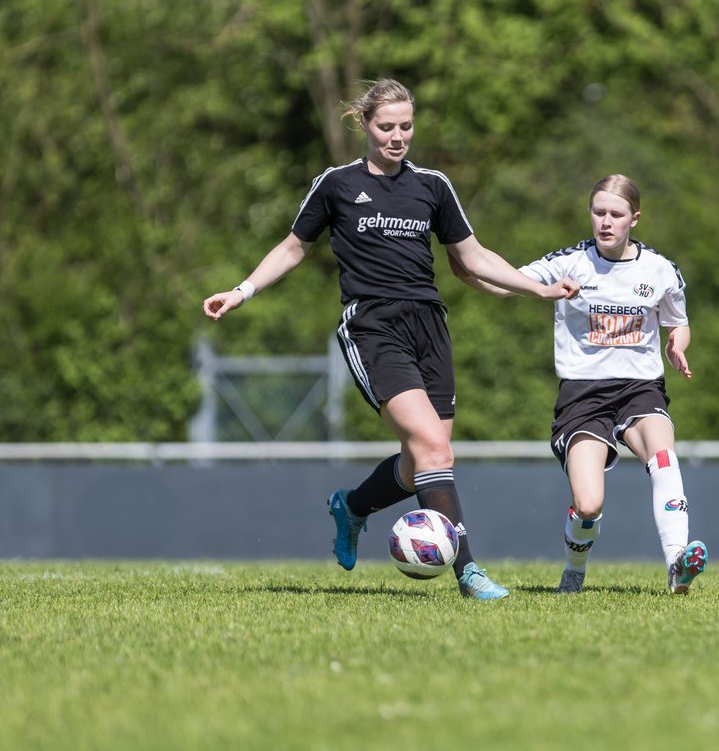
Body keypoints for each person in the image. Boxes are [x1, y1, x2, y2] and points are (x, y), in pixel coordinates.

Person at [202, 78, 578, 600]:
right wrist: (242, 291)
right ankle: (468, 571)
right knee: (432, 446)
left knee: (423, 458)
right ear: (364, 125)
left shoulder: (433, 186)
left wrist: (539, 289)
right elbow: (293, 248)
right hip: (372, 325)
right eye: (386, 127)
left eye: (406, 126)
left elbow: (472, 256)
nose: (397, 137)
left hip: (429, 325)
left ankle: (352, 507)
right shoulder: (336, 183)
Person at [453, 174, 707, 595]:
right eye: (599, 212)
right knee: (589, 504)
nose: (605, 222)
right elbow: (508, 284)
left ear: (635, 219)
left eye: (616, 214)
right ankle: (574, 569)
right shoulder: (569, 262)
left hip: (639, 387)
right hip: (583, 395)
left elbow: (678, 323)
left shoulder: (660, 270)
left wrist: (677, 345)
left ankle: (676, 562)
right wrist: (465, 270)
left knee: (663, 456)